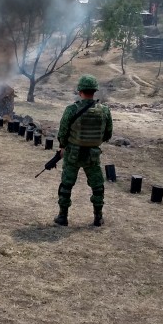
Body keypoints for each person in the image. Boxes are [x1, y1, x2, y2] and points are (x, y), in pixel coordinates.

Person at [54, 75, 113, 227]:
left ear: (80, 91)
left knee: (66, 185)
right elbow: (108, 134)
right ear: (94, 91)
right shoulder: (105, 111)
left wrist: (62, 146)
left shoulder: (71, 109)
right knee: (97, 187)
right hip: (92, 155)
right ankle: (98, 217)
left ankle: (62, 217)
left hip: (72, 153)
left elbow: (62, 133)